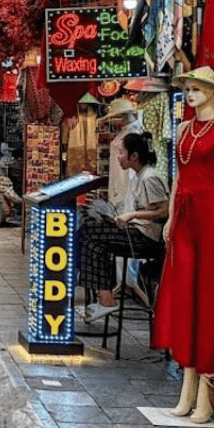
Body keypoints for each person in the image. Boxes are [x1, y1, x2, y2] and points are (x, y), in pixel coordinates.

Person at [152, 67, 214, 422]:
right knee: (184, 294)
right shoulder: (183, 129)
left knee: (207, 297)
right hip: (184, 213)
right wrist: (169, 219)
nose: (191, 94)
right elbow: (178, 176)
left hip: (212, 214)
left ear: (211, 91)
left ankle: (206, 393)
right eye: (188, 89)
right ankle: (187, 385)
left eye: (197, 89)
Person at [79, 131, 168, 321]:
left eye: (121, 153)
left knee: (91, 234)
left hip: (144, 237)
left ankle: (105, 298)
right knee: (92, 237)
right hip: (134, 232)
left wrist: (132, 215)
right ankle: (105, 297)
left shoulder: (149, 177)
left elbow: (164, 211)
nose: (118, 157)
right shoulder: (138, 176)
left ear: (134, 156)